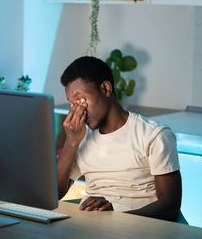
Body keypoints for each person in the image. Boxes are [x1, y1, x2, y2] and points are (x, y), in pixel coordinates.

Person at [57, 56, 182, 221]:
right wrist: (71, 142)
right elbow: (54, 194)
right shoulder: (81, 138)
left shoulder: (154, 135)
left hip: (138, 230)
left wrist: (115, 219)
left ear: (105, 89)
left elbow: (170, 205)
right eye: (72, 104)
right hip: (91, 228)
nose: (78, 110)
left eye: (81, 100)